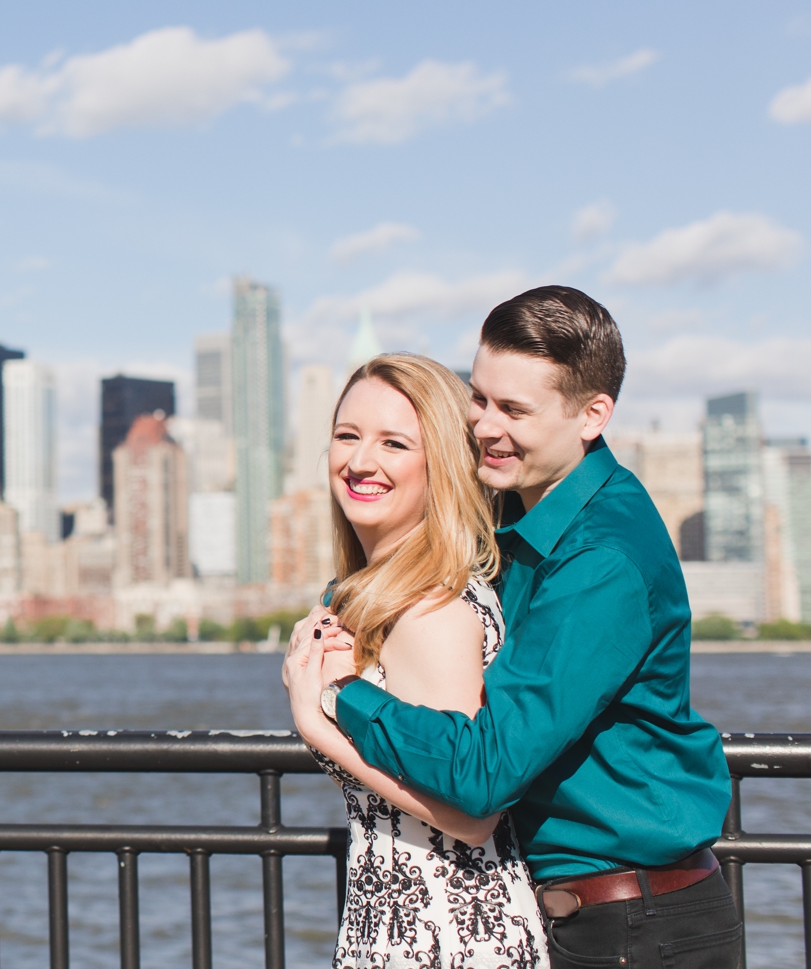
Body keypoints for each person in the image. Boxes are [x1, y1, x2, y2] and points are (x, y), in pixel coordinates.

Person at [285, 287, 738, 969]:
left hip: (638, 928)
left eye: (514, 410)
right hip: (577, 913)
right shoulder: (519, 512)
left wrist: (338, 697)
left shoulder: (600, 561)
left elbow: (485, 776)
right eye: (481, 398)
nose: (486, 426)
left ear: (593, 415)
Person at [285, 352, 548, 967]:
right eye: (346, 436)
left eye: (394, 443)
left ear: (443, 466)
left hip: (448, 932)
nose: (359, 461)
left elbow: (473, 815)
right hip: (397, 923)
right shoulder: (382, 595)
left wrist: (317, 726)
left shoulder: (428, 609)